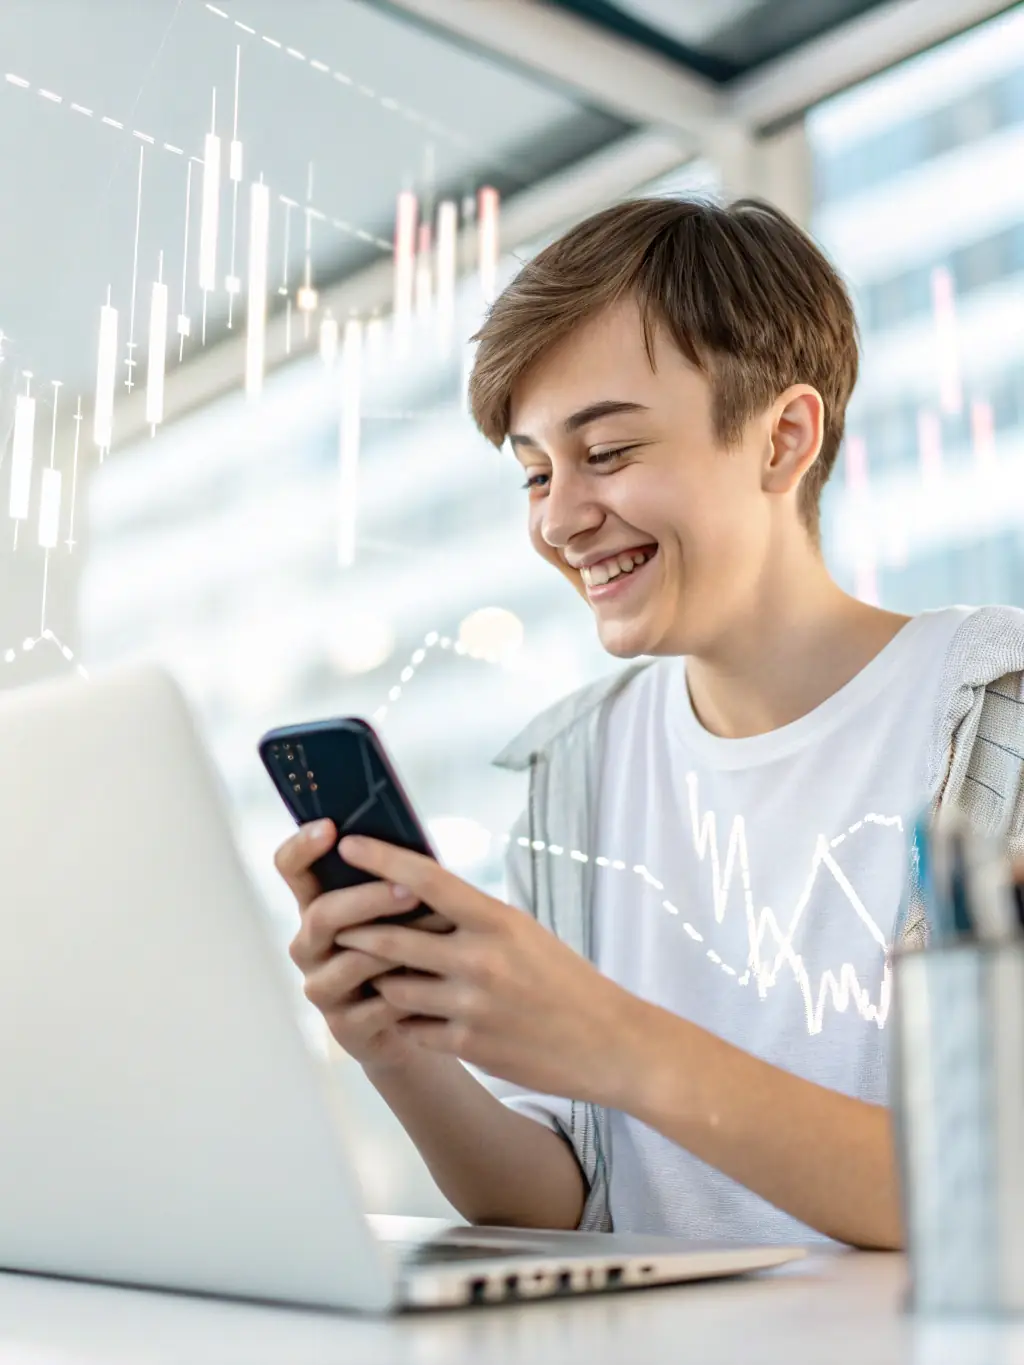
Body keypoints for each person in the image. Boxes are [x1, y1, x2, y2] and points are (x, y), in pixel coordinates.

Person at [278, 197, 1024, 1249]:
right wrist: (402, 1049)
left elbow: (994, 1198)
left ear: (784, 438)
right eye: (536, 471)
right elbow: (559, 1197)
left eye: (610, 452)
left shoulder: (998, 717)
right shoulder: (575, 761)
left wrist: (613, 1041)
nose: (556, 517)